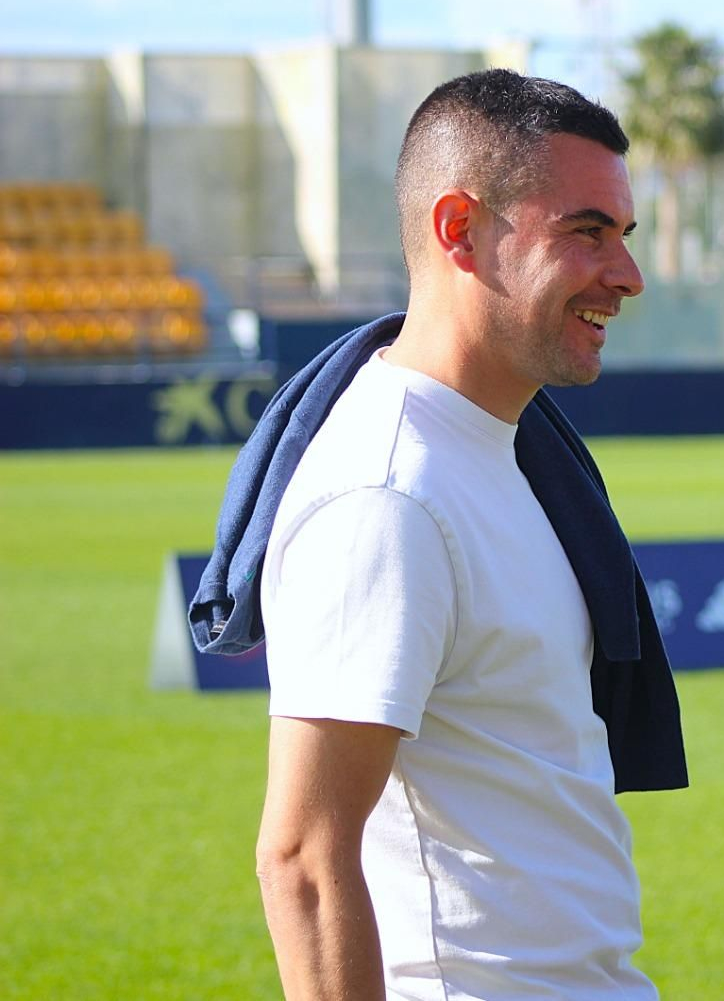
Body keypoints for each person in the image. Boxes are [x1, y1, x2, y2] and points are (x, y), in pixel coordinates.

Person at [244, 70, 679, 1001]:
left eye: (625, 237)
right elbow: (305, 860)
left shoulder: (506, 452)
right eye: (587, 232)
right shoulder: (387, 492)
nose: (628, 276)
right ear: (459, 230)